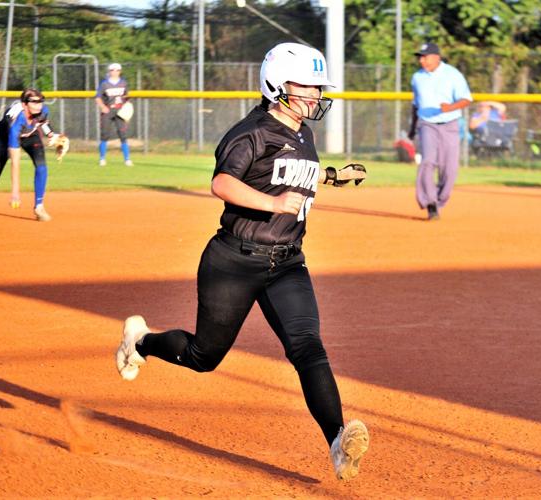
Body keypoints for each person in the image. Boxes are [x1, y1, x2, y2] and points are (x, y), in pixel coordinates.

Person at [114, 42, 370, 481]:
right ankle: (139, 343)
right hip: (234, 260)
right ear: (276, 85)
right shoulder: (249, 133)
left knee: (308, 348)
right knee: (203, 355)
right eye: (304, 86)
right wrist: (273, 203)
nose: (314, 95)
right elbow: (223, 183)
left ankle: (337, 443)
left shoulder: (302, 131)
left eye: (317, 87)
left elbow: (291, 173)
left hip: (287, 263)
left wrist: (330, 176)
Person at [408, 42, 472, 220]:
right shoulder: (417, 78)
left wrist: (450, 107)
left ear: (436, 57)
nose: (421, 60)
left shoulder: (453, 74)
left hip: (450, 124)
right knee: (427, 161)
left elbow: (467, 99)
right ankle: (430, 202)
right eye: (420, 57)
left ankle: (440, 199)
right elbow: (415, 105)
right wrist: (412, 128)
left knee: (449, 169)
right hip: (427, 124)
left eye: (425, 56)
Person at [0, 88, 57, 221]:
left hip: (30, 135)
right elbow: (15, 162)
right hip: (5, 139)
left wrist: (52, 135)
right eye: (34, 102)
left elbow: (43, 122)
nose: (39, 105)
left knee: (41, 166)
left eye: (41, 101)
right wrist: (15, 193)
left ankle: (39, 206)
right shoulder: (15, 125)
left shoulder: (43, 110)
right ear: (24, 104)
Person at [95, 62, 132, 167]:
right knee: (105, 135)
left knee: (123, 135)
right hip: (108, 111)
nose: (114, 72)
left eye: (117, 70)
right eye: (112, 70)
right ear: (109, 71)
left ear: (120, 71)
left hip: (120, 112)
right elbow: (98, 97)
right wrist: (103, 107)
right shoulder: (104, 84)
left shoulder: (123, 83)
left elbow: (127, 97)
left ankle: (127, 159)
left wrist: (127, 110)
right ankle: (102, 158)